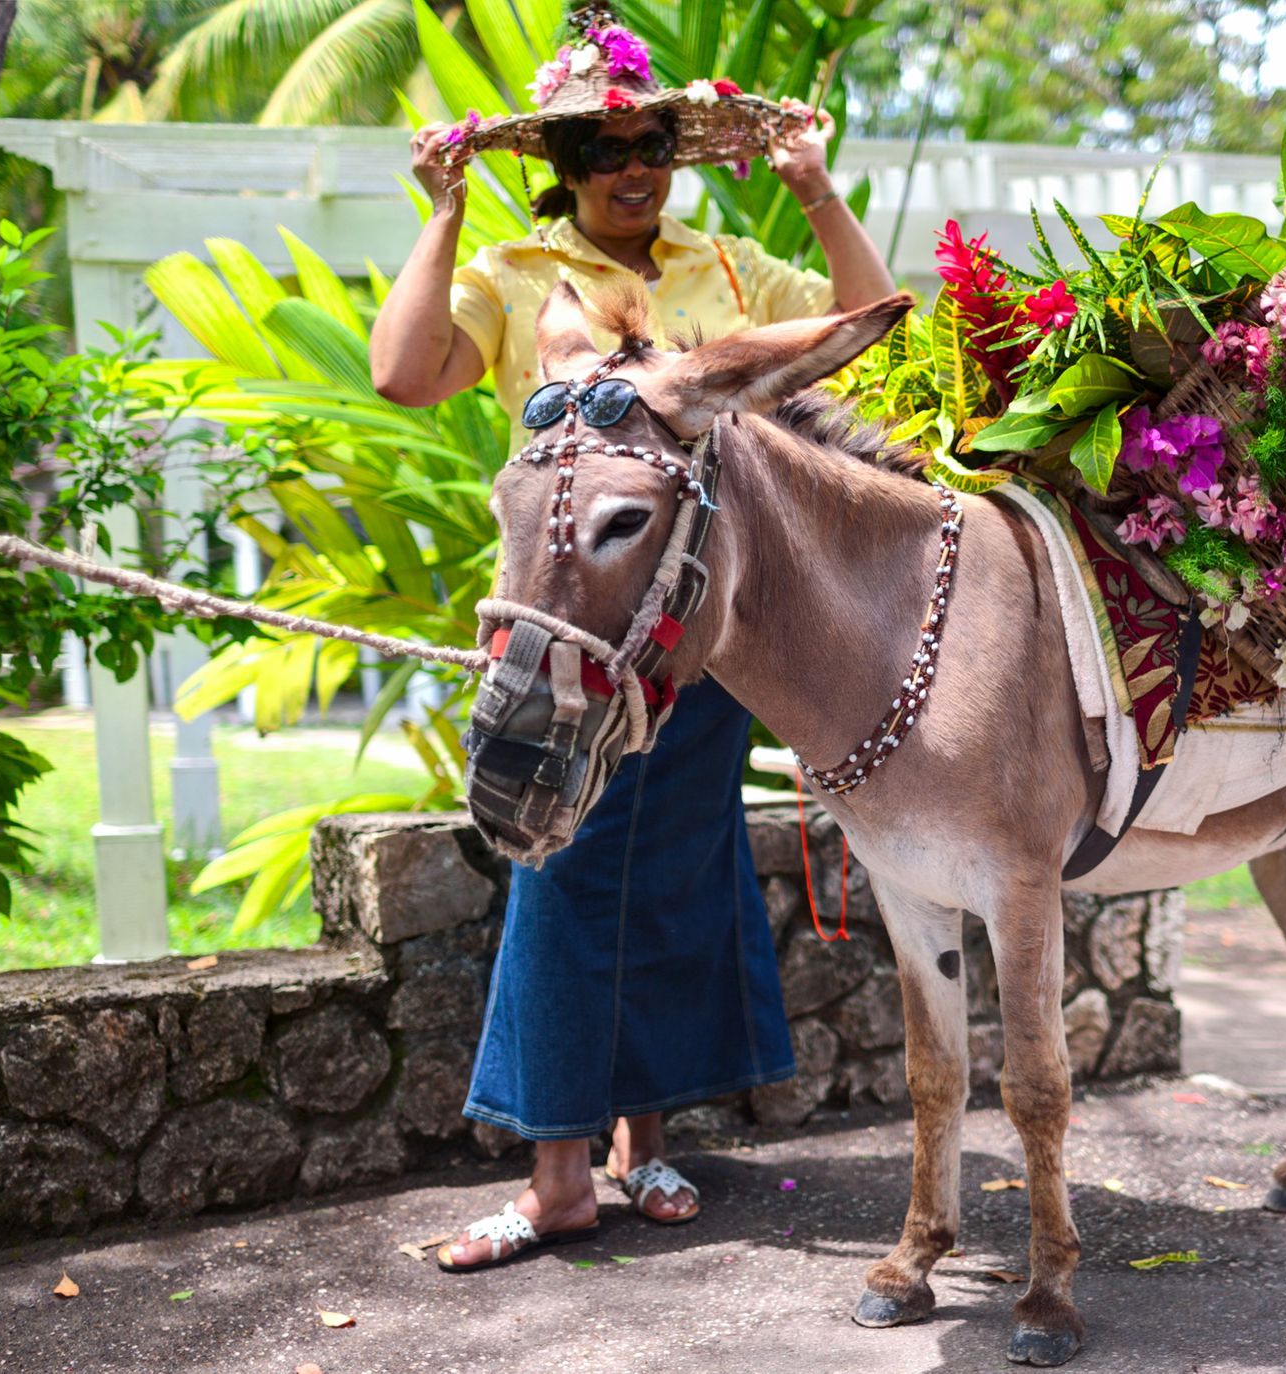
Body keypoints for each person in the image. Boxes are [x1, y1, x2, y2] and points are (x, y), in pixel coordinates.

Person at [368, 12, 896, 1272]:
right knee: (558, 872)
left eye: (650, 141)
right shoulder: (511, 270)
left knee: (677, 872)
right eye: (602, 149)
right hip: (567, 620)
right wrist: (440, 215)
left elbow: (870, 330)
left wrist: (815, 194)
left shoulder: (728, 261)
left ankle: (636, 1146)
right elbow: (403, 373)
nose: (631, 166)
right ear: (560, 161)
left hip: (706, 629)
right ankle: (554, 1178)